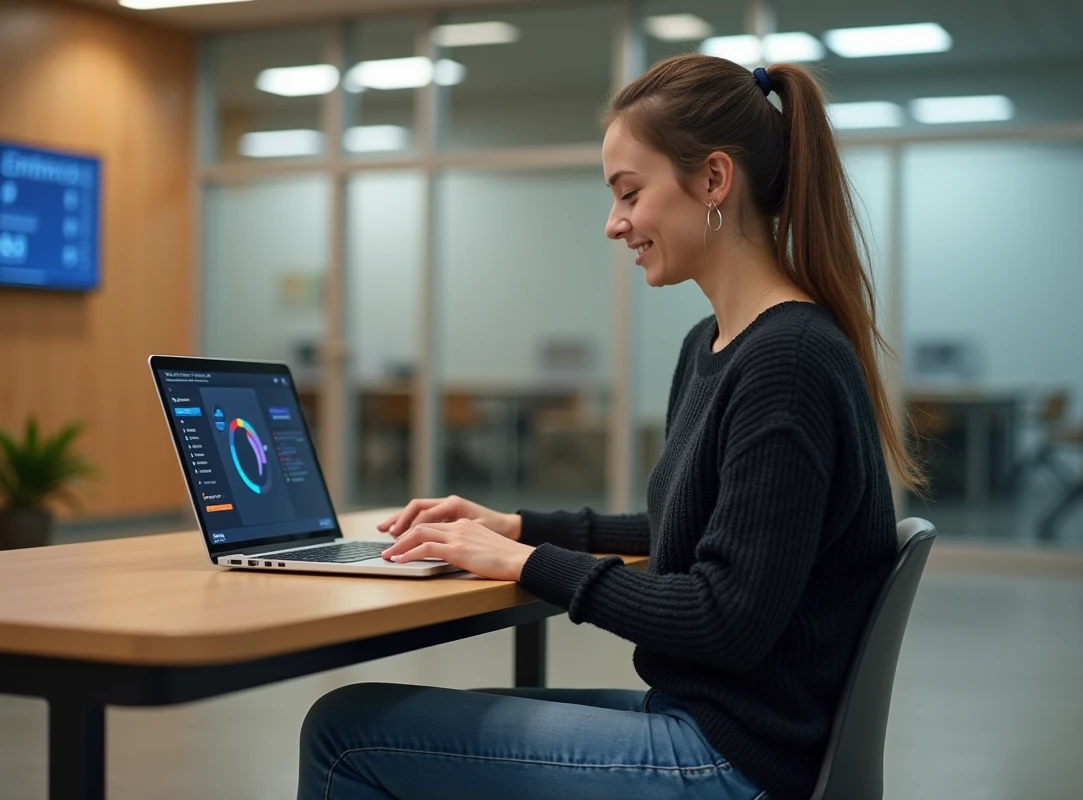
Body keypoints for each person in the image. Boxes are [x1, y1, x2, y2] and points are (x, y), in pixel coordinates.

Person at [297, 53, 924, 800]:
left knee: (345, 732)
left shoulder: (786, 362)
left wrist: (524, 564)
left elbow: (725, 618)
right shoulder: (715, 344)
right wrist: (520, 526)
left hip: (732, 761)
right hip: (712, 727)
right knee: (388, 720)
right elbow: (686, 531)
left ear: (715, 180)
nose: (614, 223)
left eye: (630, 192)